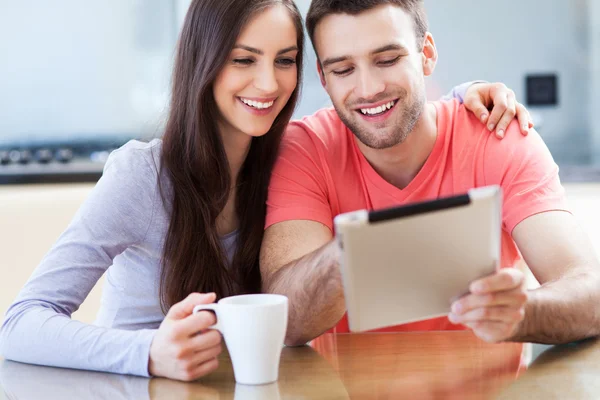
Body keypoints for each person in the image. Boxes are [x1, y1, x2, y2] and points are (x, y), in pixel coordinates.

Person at [0, 0, 527, 382]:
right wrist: (147, 353)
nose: (269, 84)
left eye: (284, 60)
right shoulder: (142, 175)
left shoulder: (284, 162)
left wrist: (465, 98)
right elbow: (20, 323)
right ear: (204, 62)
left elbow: (395, 113)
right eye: (243, 60)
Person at [260, 0, 600, 348]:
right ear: (323, 77)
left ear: (427, 54)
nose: (368, 89)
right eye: (343, 69)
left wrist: (522, 312)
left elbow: (591, 294)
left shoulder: (498, 134)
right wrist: (355, 252)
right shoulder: (306, 149)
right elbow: (282, 317)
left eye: (388, 60)